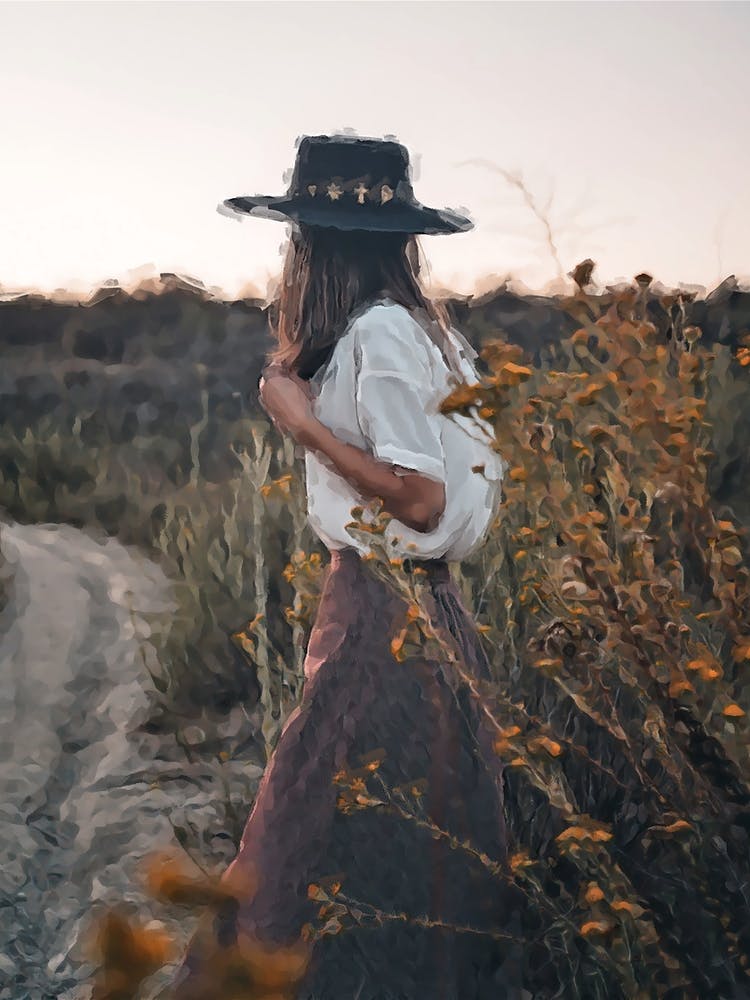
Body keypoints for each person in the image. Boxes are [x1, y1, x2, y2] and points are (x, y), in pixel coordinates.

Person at [170, 133, 520, 1000]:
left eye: (300, 235)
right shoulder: (419, 332)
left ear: (314, 243)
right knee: (391, 836)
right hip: (410, 609)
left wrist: (302, 424)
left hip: (384, 614)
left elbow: (421, 497)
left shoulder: (383, 333)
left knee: (317, 828)